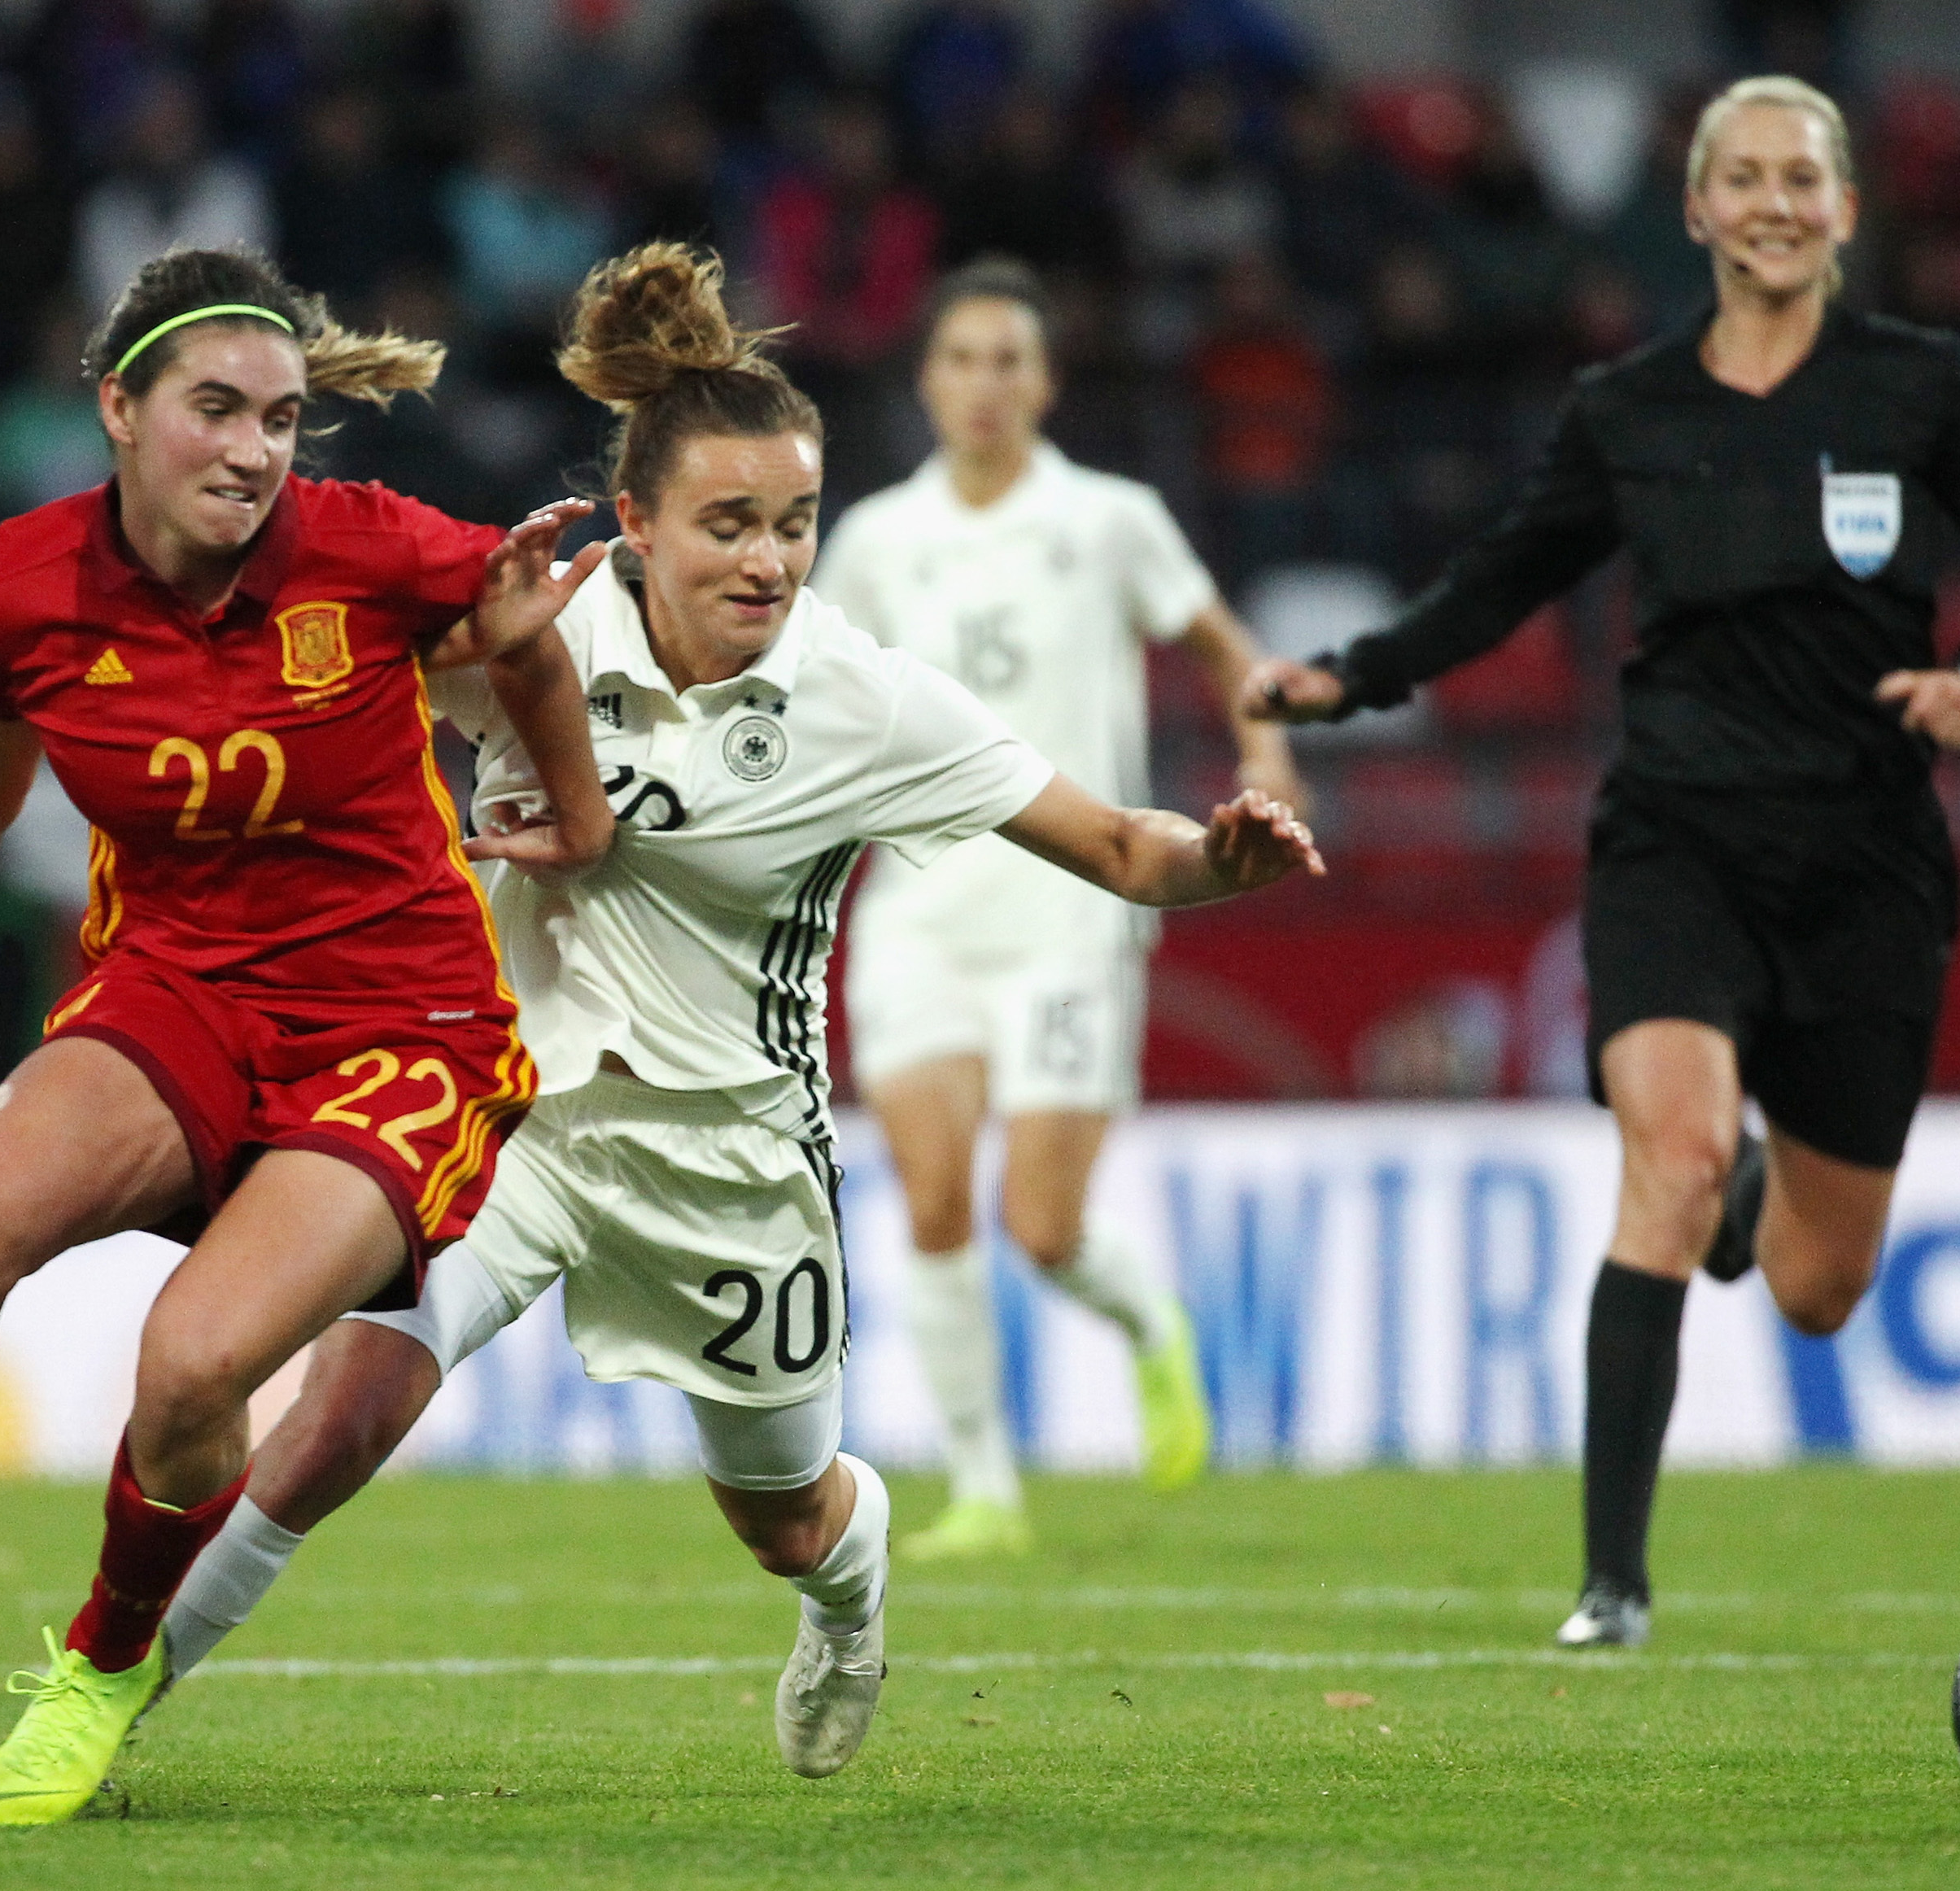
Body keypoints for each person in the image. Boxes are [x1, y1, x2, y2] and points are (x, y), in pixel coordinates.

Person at [146, 244, 1320, 1776]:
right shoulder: (533, 630)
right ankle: (108, 1696)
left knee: (779, 1517)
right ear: (634, 524)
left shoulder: (866, 703)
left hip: (732, 1162)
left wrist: (1216, 863)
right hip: (507, 1120)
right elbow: (316, 642)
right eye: (727, 525)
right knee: (334, 1421)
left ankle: (849, 1587)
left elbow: (1114, 846)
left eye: (792, 524)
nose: (767, 561)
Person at [0, 246, 614, 1828]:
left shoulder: (375, 552)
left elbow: (527, 644)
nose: (252, 449)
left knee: (197, 1361)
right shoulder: (28, 583)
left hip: (398, 1026)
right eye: (216, 409)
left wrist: (571, 817)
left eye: (281, 419)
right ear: (119, 408)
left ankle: (99, 1665)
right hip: (172, 988)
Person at [1242, 76, 1960, 1647]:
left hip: (1867, 864)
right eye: (1740, 177)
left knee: (1820, 1286)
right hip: (1676, 845)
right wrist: (1351, 674)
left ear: (1844, 208)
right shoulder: (1623, 412)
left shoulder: (1936, 390)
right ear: (1692, 210)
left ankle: (1760, 1192)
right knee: (1671, 1163)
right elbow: (1502, 577)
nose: (1771, 200)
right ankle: (1610, 1588)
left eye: (1801, 177)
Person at [809, 255, 1306, 1560]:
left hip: (1069, 915)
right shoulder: (873, 541)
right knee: (927, 1200)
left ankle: (1148, 1323)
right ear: (927, 380)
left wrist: (1265, 752)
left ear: (1043, 380)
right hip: (916, 909)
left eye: (1007, 360)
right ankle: (983, 1491)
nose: (983, 384)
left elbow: (1216, 643)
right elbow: (813, 699)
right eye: (960, 359)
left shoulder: (1107, 519)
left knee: (1042, 1224)